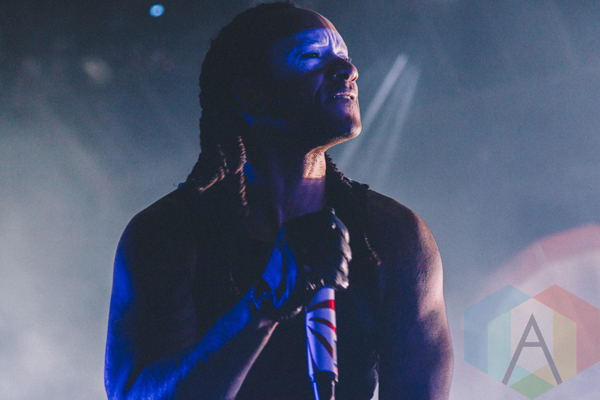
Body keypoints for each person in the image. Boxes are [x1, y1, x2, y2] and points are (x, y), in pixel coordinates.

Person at [104, 2, 453, 399]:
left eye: (344, 56)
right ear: (252, 95)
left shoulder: (394, 236)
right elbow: (135, 395)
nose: (348, 70)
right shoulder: (168, 234)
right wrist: (263, 302)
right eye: (311, 56)